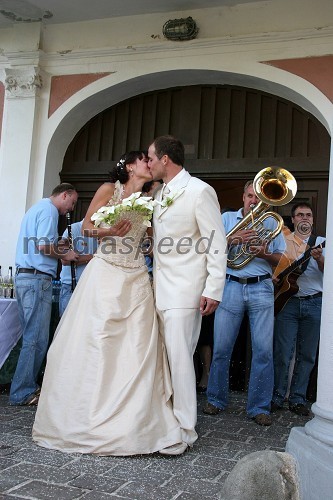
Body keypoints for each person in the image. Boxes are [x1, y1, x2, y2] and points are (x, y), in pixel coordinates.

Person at [32, 150, 183, 456]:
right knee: (98, 340)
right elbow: (86, 227)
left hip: (138, 275)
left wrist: (157, 244)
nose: (149, 164)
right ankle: (87, 416)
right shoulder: (108, 190)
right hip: (105, 272)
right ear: (130, 166)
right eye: (144, 160)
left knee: (138, 346)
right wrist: (109, 231)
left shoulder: (151, 195)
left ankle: (137, 421)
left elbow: (151, 237)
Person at [148, 135, 227, 454]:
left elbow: (215, 240)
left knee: (181, 359)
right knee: (166, 360)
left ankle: (185, 430)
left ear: (166, 159)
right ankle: (168, 421)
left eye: (151, 157)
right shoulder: (160, 192)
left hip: (187, 289)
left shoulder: (199, 191)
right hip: (160, 289)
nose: (149, 162)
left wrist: (213, 288)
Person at [203, 180, 286, 426]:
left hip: (261, 286)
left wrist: (263, 253)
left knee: (263, 351)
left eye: (259, 198)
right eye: (251, 196)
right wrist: (232, 239)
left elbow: (281, 259)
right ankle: (216, 399)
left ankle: (259, 407)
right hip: (230, 285)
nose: (254, 202)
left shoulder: (271, 222)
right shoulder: (227, 219)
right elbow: (207, 248)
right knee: (221, 348)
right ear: (243, 197)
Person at [10, 183, 79, 406]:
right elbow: (43, 247)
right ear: (65, 195)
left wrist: (58, 244)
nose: (70, 209)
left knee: (32, 336)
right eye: (72, 203)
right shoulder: (49, 210)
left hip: (26, 278)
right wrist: (67, 254)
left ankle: (24, 387)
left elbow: (41, 244)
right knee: (36, 339)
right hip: (37, 279)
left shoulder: (36, 208)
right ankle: (23, 391)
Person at [271, 202, 325, 416]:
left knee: (307, 355)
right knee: (283, 353)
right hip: (287, 302)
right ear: (292, 219)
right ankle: (277, 397)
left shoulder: (322, 242)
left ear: (313, 219)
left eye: (308, 215)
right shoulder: (283, 241)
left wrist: (320, 260)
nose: (305, 218)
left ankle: (297, 399)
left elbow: (327, 274)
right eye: (300, 215)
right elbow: (274, 269)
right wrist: (275, 277)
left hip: (315, 302)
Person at [59, 220, 98, 316]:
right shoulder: (73, 229)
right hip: (71, 287)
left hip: (90, 287)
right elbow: (64, 260)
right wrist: (92, 257)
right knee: (66, 325)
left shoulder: (99, 233)